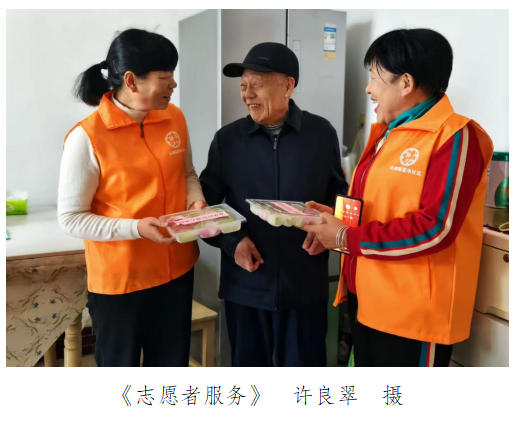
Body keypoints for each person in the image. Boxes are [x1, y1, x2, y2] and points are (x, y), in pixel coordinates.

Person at [302, 28, 494, 366]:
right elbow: (382, 206)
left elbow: (435, 227)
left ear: (405, 83)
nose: (368, 89)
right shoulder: (388, 134)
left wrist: (345, 237)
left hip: (413, 317)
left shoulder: (455, 136)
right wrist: (333, 220)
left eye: (374, 78)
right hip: (369, 299)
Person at [57, 28, 206, 366]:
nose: (173, 84)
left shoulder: (174, 118)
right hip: (121, 283)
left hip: (178, 273)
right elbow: (71, 219)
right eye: (165, 77)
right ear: (131, 81)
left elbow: (187, 174)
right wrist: (136, 228)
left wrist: (195, 201)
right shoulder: (87, 137)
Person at [199, 42, 348, 366]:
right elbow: (204, 208)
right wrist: (233, 242)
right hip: (246, 285)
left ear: (288, 85)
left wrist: (327, 234)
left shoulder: (320, 134)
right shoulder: (228, 140)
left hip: (304, 285)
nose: (247, 94)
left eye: (257, 84)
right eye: (243, 86)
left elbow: (339, 196)